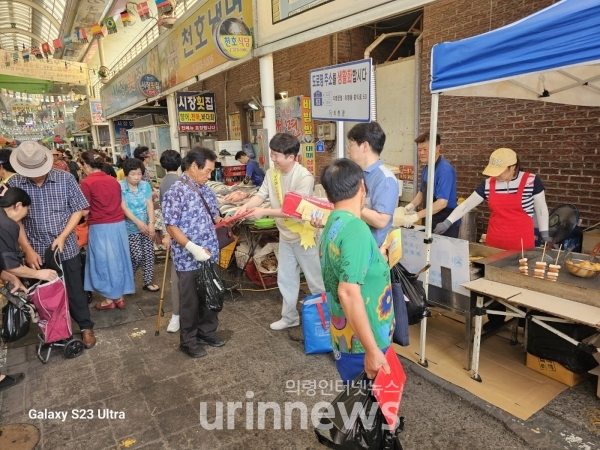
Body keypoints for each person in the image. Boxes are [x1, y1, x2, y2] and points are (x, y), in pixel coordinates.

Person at [435, 147, 550, 329]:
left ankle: (522, 321)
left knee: (521, 283)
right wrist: (448, 222)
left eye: (501, 172)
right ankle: (496, 320)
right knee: (494, 283)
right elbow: (465, 206)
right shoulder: (488, 184)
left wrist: (544, 232)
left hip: (522, 243)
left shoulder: (531, 181)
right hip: (495, 241)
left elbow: (541, 208)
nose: (497, 176)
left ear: (513, 167)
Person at [7, 141, 96, 349]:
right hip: (36, 250)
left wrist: (64, 235)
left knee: (74, 288)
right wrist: (27, 250)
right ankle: (55, 330)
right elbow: (15, 221)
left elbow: (79, 209)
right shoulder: (15, 184)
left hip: (66, 248)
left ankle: (85, 326)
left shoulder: (64, 178)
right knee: (46, 292)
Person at [236, 133, 325, 330]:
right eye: (272, 153)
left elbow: (293, 211)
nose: (272, 158)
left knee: (315, 281)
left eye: (276, 154)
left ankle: (327, 320)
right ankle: (289, 317)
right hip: (285, 235)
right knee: (285, 278)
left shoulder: (304, 177)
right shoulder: (272, 172)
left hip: (304, 236)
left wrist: (263, 211)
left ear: (291, 157)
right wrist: (246, 207)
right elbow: (261, 195)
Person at [319, 158, 393, 382]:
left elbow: (342, 264)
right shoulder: (356, 228)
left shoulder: (334, 222)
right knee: (370, 406)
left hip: (346, 335)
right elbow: (348, 292)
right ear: (362, 186)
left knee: (359, 405)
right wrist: (372, 351)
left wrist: (376, 257)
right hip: (362, 341)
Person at [162, 147, 226, 358]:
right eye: (207, 171)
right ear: (192, 166)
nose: (209, 176)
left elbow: (215, 218)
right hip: (188, 259)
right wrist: (192, 248)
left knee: (210, 295)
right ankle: (188, 341)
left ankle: (206, 332)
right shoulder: (175, 192)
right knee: (190, 301)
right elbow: (171, 226)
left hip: (210, 254)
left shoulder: (206, 189)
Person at [79, 151, 135, 310]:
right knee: (119, 259)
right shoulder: (113, 181)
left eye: (82, 165)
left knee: (103, 262)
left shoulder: (87, 183)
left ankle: (109, 299)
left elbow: (84, 211)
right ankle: (120, 296)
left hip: (100, 227)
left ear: (86, 165)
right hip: (118, 225)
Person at [345, 122, 399, 246]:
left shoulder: (385, 179)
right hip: (353, 244)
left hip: (371, 250)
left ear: (365, 146)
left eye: (351, 144)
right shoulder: (355, 174)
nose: (348, 149)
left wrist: (349, 204)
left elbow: (381, 221)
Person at [405, 132, 461, 237]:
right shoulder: (426, 168)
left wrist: (417, 216)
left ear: (437, 148)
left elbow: (442, 203)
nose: (421, 153)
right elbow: (422, 192)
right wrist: (411, 205)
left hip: (444, 221)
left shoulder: (445, 171)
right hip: (430, 217)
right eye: (419, 149)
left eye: (425, 149)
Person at [119, 158, 159, 292]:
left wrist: (151, 223)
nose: (136, 177)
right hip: (130, 227)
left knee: (148, 254)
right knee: (136, 255)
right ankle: (128, 279)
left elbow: (149, 204)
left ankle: (148, 282)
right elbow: (124, 208)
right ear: (126, 174)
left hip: (147, 226)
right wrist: (138, 222)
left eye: (139, 174)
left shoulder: (145, 185)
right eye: (132, 174)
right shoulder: (120, 186)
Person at [159, 150, 182, 333]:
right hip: (179, 234)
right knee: (178, 277)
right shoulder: (179, 181)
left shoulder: (164, 182)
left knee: (178, 277)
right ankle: (177, 315)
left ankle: (177, 315)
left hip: (175, 233)